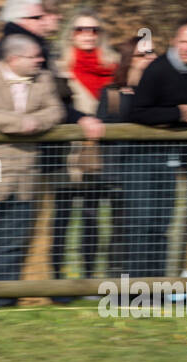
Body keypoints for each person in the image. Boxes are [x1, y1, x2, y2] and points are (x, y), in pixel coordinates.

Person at [0, 34, 64, 307]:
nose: (41, 60)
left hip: (27, 172)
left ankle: (2, 300)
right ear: (14, 59)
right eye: (35, 56)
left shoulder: (44, 78)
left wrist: (35, 121)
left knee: (14, 239)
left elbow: (56, 111)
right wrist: (18, 123)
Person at [125, 17, 187, 277]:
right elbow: (138, 112)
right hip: (148, 157)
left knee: (165, 223)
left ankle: (163, 282)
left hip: (183, 155)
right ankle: (136, 284)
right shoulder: (158, 70)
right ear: (175, 42)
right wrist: (176, 113)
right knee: (144, 222)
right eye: (185, 42)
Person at [49, 9, 117, 283]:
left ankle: (89, 279)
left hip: (103, 151)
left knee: (93, 217)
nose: (87, 35)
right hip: (66, 153)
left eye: (93, 30)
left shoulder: (113, 66)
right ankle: (58, 280)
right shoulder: (59, 67)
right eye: (80, 29)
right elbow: (56, 106)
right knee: (62, 217)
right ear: (71, 34)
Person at [96, 35, 155, 276]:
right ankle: (117, 276)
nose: (151, 58)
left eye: (153, 53)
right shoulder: (111, 93)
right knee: (122, 227)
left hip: (152, 169)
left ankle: (148, 276)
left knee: (151, 225)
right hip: (120, 172)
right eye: (144, 55)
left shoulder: (159, 91)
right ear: (129, 59)